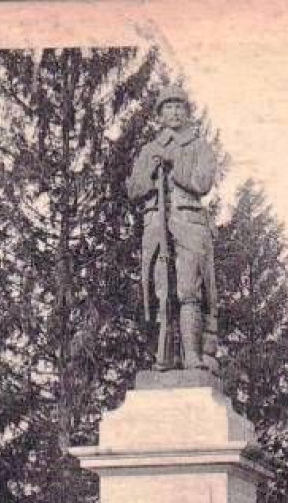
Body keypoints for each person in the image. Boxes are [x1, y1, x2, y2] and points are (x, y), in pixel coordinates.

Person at [127, 85, 219, 370]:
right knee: (161, 292)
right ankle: (164, 354)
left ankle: (192, 354)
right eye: (168, 107)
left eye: (179, 106)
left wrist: (174, 164)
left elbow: (202, 183)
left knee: (188, 290)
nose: (175, 112)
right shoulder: (149, 150)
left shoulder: (199, 146)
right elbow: (133, 189)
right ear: (160, 114)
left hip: (189, 225)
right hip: (156, 228)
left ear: (187, 112)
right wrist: (152, 177)